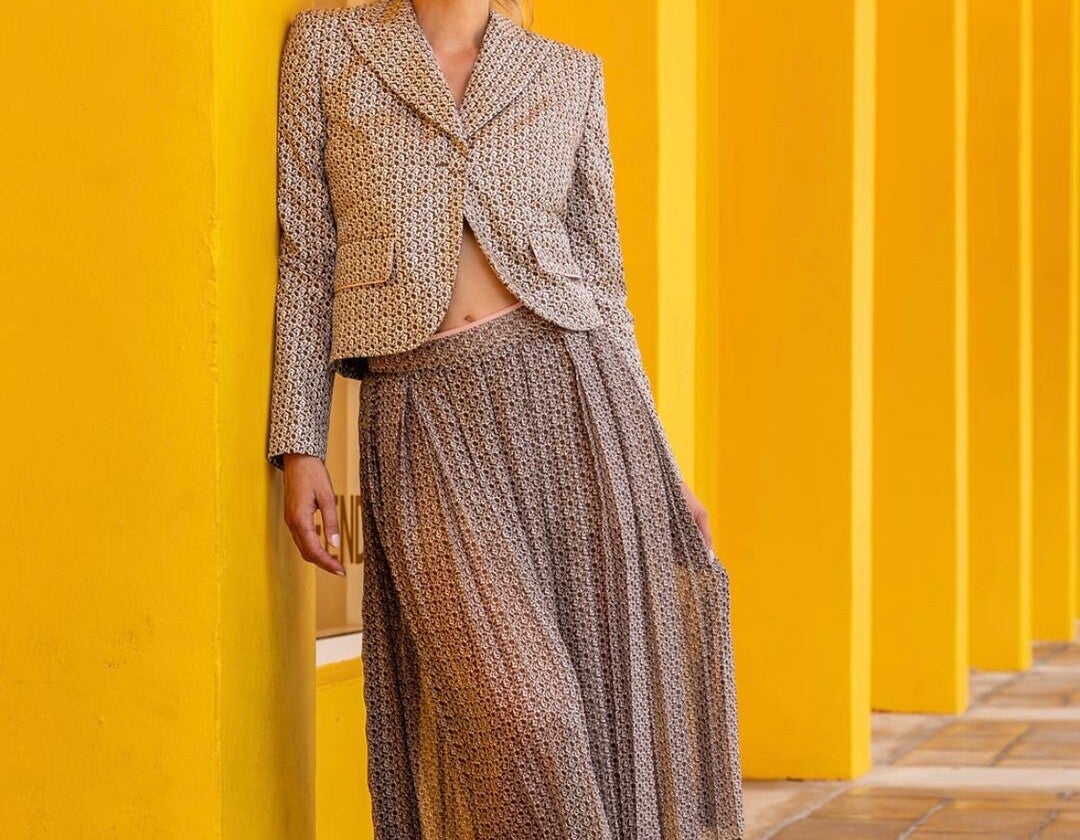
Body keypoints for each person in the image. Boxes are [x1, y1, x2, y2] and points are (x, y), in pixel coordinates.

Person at [266, 0, 746, 836]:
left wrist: (665, 471)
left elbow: (606, 290)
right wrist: (300, 443)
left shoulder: (567, 74)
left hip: (574, 401)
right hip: (423, 414)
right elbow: (308, 257)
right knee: (524, 715)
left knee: (597, 704)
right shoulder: (328, 45)